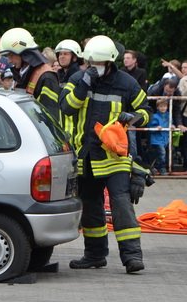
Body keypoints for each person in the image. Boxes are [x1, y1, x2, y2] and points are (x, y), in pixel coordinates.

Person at [60, 35, 150, 274]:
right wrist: (84, 83)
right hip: (86, 157)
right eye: (91, 62)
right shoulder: (78, 79)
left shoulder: (127, 83)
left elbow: (146, 110)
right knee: (91, 208)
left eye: (98, 63)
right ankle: (94, 255)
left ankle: (132, 257)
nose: (95, 66)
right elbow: (67, 107)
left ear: (110, 62)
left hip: (114, 158)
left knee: (121, 205)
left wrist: (133, 118)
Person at [0, 28, 61, 123]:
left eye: (11, 55)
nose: (9, 61)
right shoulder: (22, 73)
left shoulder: (47, 77)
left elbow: (50, 117)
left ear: (24, 53)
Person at [147, 99, 172, 175]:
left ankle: (156, 167)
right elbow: (150, 127)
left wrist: (173, 126)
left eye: (164, 106)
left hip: (165, 139)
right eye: (161, 106)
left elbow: (170, 124)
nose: (163, 108)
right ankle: (161, 168)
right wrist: (156, 128)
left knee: (160, 154)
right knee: (162, 153)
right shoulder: (154, 116)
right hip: (156, 139)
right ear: (157, 107)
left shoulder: (169, 115)